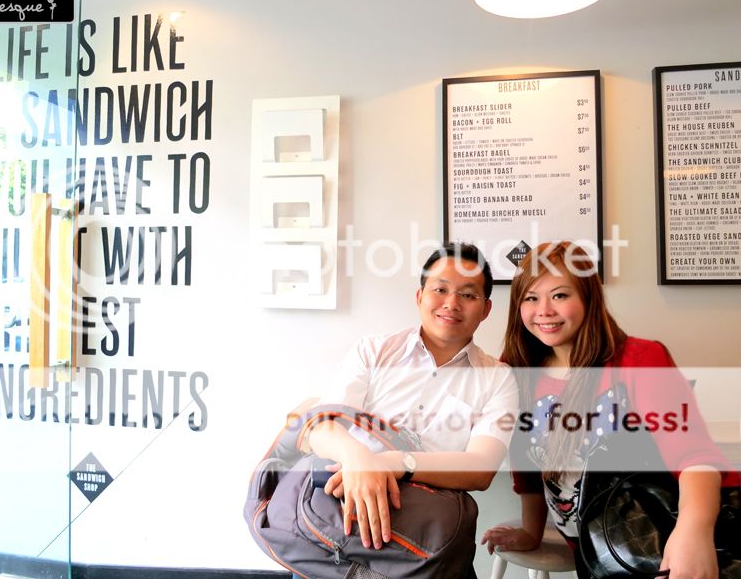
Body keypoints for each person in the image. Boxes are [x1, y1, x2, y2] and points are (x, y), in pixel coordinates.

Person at [481, 241, 740, 579]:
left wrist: (692, 533)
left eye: (560, 295)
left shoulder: (638, 359)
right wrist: (532, 531)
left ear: (588, 297)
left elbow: (694, 456)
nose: (544, 310)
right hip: (602, 550)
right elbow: (527, 464)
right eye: (531, 298)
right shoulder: (516, 370)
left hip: (671, 528)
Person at [309, 243, 519, 554]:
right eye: (440, 289)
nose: (452, 303)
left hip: (423, 538)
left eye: (467, 294)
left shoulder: (498, 378)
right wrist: (359, 460)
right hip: (338, 519)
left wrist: (392, 463)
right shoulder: (374, 351)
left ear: (486, 309)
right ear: (420, 296)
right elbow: (321, 428)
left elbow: (481, 468)